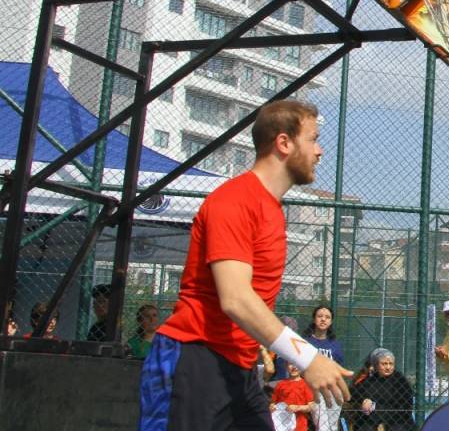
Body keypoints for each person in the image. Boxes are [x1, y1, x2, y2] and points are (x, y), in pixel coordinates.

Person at [137, 100, 351, 431]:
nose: (319, 151)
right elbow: (235, 299)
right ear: (284, 143)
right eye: (313, 139)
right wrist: (306, 356)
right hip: (194, 360)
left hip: (240, 367)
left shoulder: (272, 210)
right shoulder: (234, 200)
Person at [349, 348, 415, 431]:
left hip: (396, 420)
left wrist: (384, 423)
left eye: (391, 364)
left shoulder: (400, 380)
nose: (388, 367)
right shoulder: (370, 379)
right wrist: (363, 400)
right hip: (371, 419)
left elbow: (405, 408)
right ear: (376, 365)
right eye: (384, 364)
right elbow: (353, 394)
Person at [303, 305, 344, 431]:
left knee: (332, 426)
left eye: (327, 317)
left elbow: (338, 369)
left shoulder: (335, 345)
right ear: (314, 319)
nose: (323, 319)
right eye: (320, 316)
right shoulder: (306, 342)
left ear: (331, 321)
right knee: (323, 425)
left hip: (332, 388)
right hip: (313, 388)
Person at [270, 362, 314, 431]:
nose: (294, 367)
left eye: (297, 364)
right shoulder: (280, 384)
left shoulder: (306, 384)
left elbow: (311, 406)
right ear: (286, 365)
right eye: (291, 364)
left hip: (299, 425)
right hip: (281, 424)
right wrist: (272, 407)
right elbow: (273, 402)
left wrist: (297, 407)